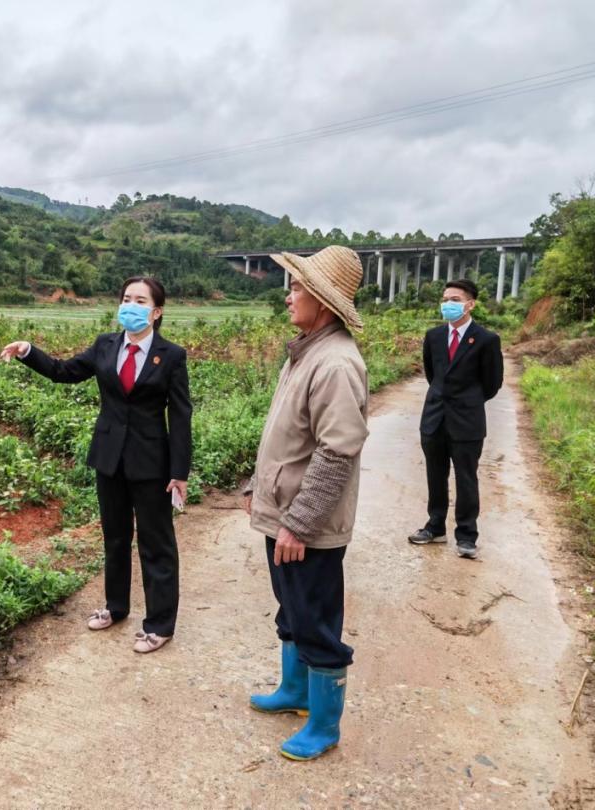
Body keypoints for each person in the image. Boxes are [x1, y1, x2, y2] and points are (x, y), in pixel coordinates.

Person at [0, 277, 191, 654]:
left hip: (151, 463)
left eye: (139, 300)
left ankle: (159, 624)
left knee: (157, 545)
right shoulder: (106, 344)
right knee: (115, 538)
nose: (130, 306)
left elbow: (181, 415)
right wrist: (28, 351)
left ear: (156, 312)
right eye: (125, 299)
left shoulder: (170, 355)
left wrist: (179, 472)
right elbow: (64, 371)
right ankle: (115, 607)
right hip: (109, 458)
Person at [244, 246, 369, 762]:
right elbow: (285, 437)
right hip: (285, 514)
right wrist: (258, 487)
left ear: (322, 299)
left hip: (307, 525)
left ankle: (324, 725)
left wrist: (298, 523)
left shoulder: (336, 362)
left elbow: (336, 452)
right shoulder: (306, 351)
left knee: (316, 618)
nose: (289, 294)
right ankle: (294, 693)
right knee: (292, 608)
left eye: (296, 287)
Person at [408, 278, 503, 559]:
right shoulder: (434, 336)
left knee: (466, 478)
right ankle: (435, 527)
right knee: (435, 475)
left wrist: (468, 402)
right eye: (445, 299)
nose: (448, 304)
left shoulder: (486, 339)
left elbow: (492, 383)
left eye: (455, 300)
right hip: (435, 418)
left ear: (470, 304)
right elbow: (432, 374)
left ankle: (466, 535)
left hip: (467, 421)